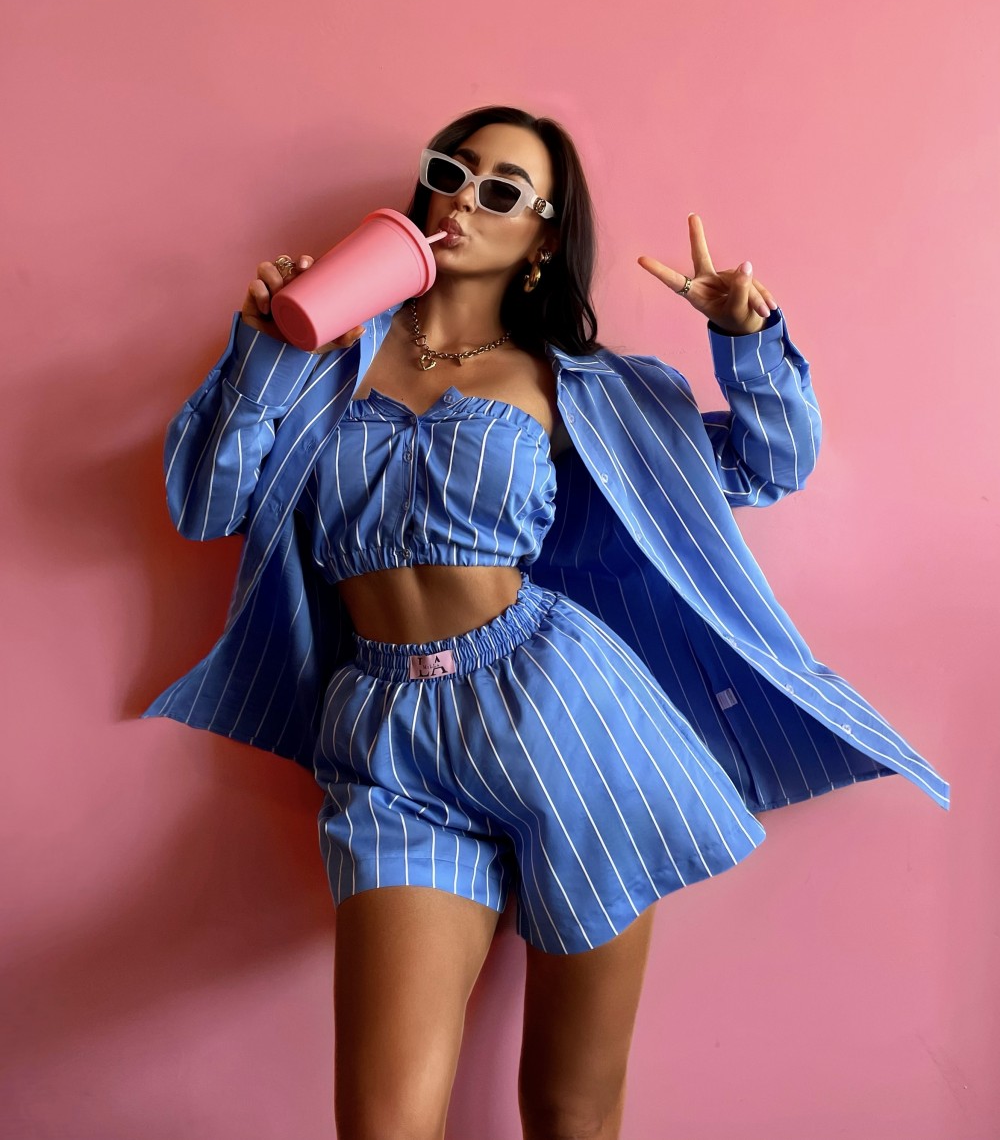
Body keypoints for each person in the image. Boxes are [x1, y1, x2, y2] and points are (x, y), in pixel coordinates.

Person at [143, 104, 949, 1140]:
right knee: (382, 1122)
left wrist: (744, 339)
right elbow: (205, 505)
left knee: (570, 1108)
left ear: (542, 239)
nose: (465, 200)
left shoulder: (576, 386)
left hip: (563, 718)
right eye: (451, 171)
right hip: (383, 735)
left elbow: (767, 465)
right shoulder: (327, 354)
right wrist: (266, 348)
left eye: (502, 191)